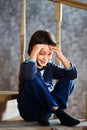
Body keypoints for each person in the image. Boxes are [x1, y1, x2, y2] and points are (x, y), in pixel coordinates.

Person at [17, 30, 80, 127]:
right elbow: (29, 75)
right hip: (30, 111)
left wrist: (61, 55)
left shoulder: (49, 66)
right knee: (32, 78)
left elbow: (72, 75)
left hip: (46, 112)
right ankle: (58, 112)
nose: (45, 58)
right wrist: (33, 53)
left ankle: (48, 110)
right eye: (41, 53)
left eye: (49, 54)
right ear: (33, 51)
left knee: (68, 78)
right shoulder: (25, 66)